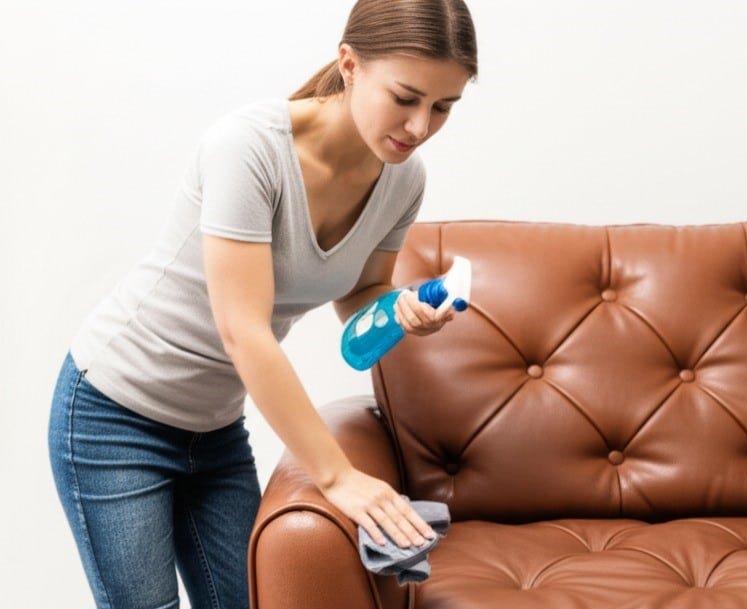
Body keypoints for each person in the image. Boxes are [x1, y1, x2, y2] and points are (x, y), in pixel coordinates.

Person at [47, 1, 477, 607]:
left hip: (214, 431)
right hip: (114, 416)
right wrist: (338, 478)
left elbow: (360, 295)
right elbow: (243, 331)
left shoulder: (403, 178)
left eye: (442, 107)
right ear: (349, 64)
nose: (419, 126)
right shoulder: (249, 148)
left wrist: (402, 310)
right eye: (405, 98)